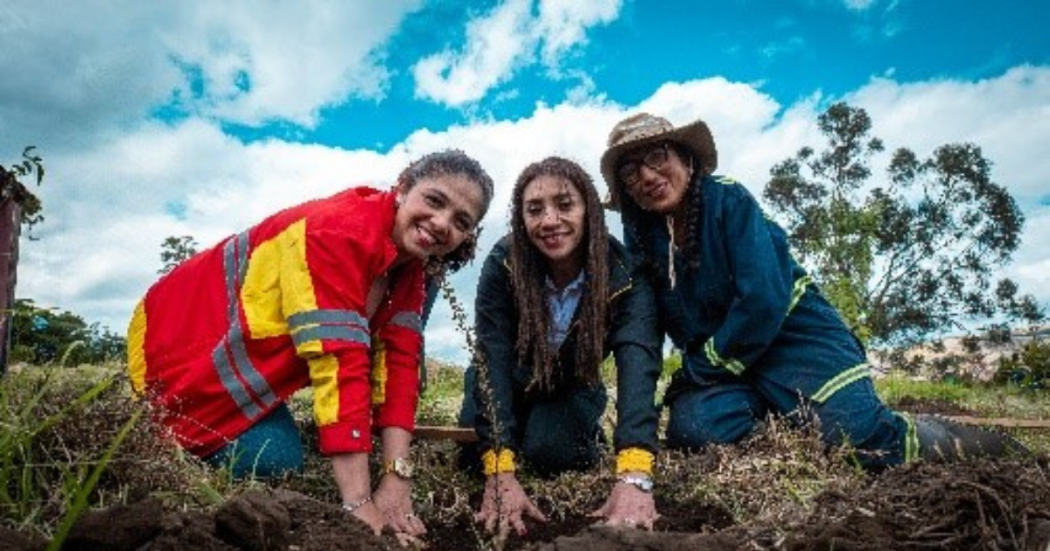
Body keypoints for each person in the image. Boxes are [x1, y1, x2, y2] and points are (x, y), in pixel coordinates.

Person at [599, 112, 1025, 469]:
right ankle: (791, 415)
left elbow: (762, 302)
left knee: (860, 442)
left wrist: (699, 369)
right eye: (631, 170)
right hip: (733, 367)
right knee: (692, 430)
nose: (648, 175)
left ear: (687, 159)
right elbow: (652, 325)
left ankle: (967, 442)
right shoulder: (644, 239)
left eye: (658, 156)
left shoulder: (728, 201)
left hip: (797, 342)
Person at [126, 150, 494, 542]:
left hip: (257, 357)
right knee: (274, 460)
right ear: (403, 186)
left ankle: (337, 429)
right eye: (434, 201)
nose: (441, 224)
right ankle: (176, 416)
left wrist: (396, 478)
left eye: (460, 222)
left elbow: (399, 368)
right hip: (174, 349)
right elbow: (339, 361)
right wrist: (358, 505)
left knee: (325, 423)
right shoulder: (336, 232)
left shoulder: (412, 270)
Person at [458, 156, 663, 536]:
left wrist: (635, 472)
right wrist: (500, 472)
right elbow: (493, 356)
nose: (550, 220)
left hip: (572, 382)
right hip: (512, 376)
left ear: (589, 211)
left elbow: (639, 360)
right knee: (474, 457)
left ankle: (582, 431)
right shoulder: (504, 263)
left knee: (553, 455)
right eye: (534, 210)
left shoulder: (625, 272)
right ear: (521, 218)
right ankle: (511, 438)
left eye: (565, 204)